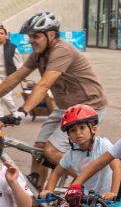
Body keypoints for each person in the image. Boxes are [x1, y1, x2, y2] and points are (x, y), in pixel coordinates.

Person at [0, 12, 109, 189]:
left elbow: (43, 85)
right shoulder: (39, 53)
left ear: (51, 35)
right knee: (39, 150)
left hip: (89, 105)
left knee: (52, 151)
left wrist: (22, 111)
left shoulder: (61, 50)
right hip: (66, 108)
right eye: (30, 37)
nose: (31, 40)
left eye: (35, 36)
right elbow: (15, 77)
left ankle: (93, 186)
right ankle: (37, 204)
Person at [0, 25, 23, 116]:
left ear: (6, 35)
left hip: (9, 76)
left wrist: (22, 75)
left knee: (6, 96)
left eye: (1, 33)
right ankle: (0, 116)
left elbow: (19, 62)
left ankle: (14, 112)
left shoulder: (12, 47)